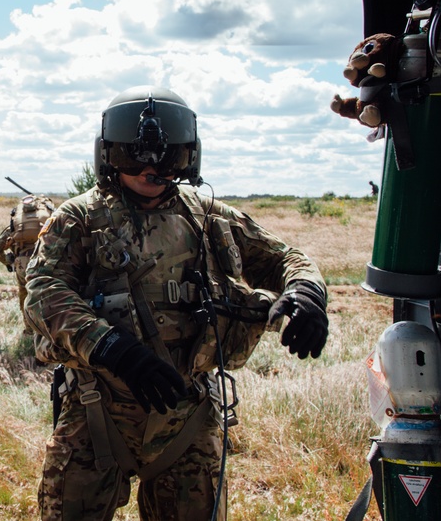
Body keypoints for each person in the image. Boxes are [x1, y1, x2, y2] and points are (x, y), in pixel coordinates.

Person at [23, 86, 329, 521]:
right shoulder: (78, 218)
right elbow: (43, 292)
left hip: (188, 418)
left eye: (167, 159)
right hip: (96, 414)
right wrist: (112, 349)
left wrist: (306, 292)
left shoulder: (207, 216)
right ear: (109, 156)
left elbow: (285, 258)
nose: (150, 169)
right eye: (135, 156)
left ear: (189, 158)